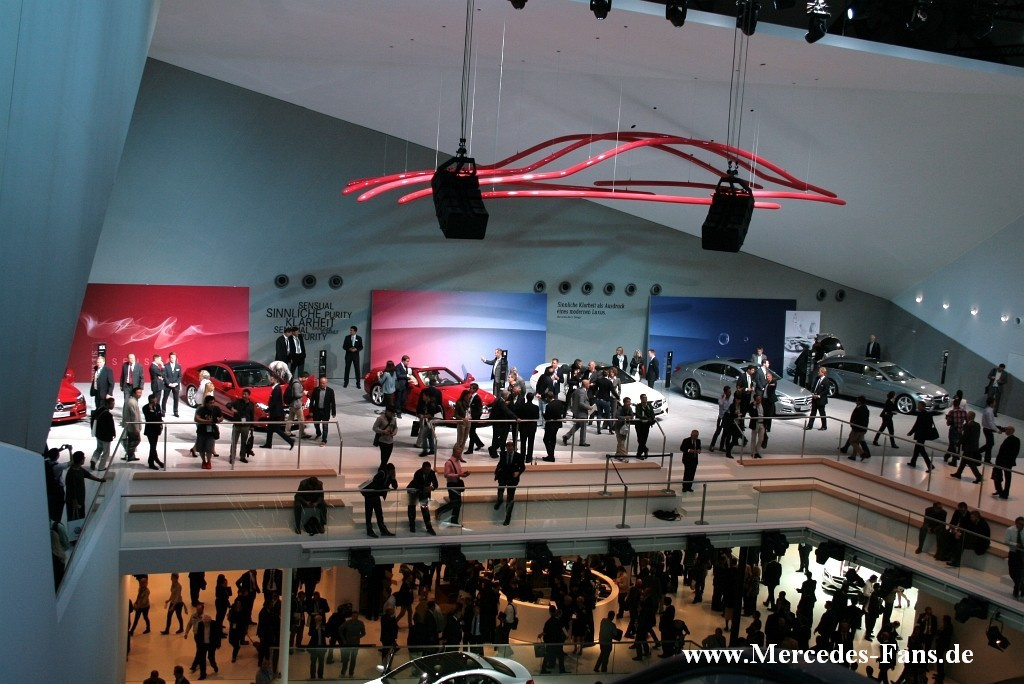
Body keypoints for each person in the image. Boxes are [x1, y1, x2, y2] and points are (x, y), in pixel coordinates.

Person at [65, 450, 105, 521]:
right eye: (83, 457)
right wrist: (74, 501)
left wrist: (99, 480)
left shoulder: (79, 469)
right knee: (75, 518)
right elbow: (71, 489)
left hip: (80, 499)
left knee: (80, 516)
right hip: (74, 501)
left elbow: (88, 475)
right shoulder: (72, 473)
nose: (85, 458)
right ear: (80, 460)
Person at [494, 439, 525, 526]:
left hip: (512, 479)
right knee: (500, 491)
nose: (510, 448)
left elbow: (522, 467)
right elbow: (500, 464)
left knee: (510, 499)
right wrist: (496, 473)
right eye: (508, 446)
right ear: (506, 447)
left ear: (514, 447)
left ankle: (507, 518)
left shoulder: (518, 456)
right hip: (503, 476)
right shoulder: (503, 454)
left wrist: (518, 473)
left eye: (511, 446)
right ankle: (499, 501)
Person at [261, 371, 295, 449]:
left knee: (276, 429)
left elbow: (274, 402)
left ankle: (290, 441)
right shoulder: (276, 388)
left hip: (276, 413)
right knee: (270, 429)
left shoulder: (277, 389)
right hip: (274, 412)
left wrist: (267, 410)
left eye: (271, 378)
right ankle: (268, 444)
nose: (270, 380)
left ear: (275, 379)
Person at [361, 463, 397, 538]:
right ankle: (369, 530)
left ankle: (383, 530)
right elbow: (375, 484)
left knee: (379, 513)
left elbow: (395, 486)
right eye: (392, 471)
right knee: (369, 513)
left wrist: (393, 478)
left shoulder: (390, 476)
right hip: (370, 494)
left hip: (376, 495)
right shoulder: (382, 473)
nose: (393, 472)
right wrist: (385, 488)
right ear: (388, 470)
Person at [436, 447, 469, 527]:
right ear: (454, 452)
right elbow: (446, 475)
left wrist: (463, 474)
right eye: (458, 453)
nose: (459, 454)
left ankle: (454, 521)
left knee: (458, 503)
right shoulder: (448, 463)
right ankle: (439, 511)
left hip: (457, 484)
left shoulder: (458, 461)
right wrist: (458, 475)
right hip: (451, 484)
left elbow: (458, 472)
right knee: (454, 502)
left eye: (460, 453)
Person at [951, 411, 983, 482]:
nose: (966, 417)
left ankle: (978, 476)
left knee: (970, 462)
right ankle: (958, 473)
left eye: (968, 416)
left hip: (968, 447)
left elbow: (965, 436)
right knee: (963, 461)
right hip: (974, 446)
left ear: (969, 417)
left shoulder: (969, 425)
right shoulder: (977, 425)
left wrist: (958, 443)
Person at [406, 461, 437, 534]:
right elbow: (417, 484)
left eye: (429, 469)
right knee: (411, 508)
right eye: (426, 470)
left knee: (425, 510)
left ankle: (429, 528)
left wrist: (432, 487)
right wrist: (425, 488)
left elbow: (436, 484)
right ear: (422, 469)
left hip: (423, 493)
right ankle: (412, 525)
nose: (428, 472)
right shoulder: (418, 473)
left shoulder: (432, 473)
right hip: (413, 491)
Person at [225, 389, 254, 465]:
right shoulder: (237, 402)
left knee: (244, 442)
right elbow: (228, 404)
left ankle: (242, 456)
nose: (244, 395)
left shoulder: (251, 404)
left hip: (246, 426)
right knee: (234, 441)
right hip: (237, 425)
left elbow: (252, 416)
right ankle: (232, 456)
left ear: (249, 395)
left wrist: (252, 426)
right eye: (243, 394)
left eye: (245, 394)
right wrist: (232, 409)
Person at [194, 395, 223, 470]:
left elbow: (221, 418)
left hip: (211, 433)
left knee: (209, 449)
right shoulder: (201, 409)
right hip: (201, 432)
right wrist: (207, 421)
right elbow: (196, 418)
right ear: (206, 403)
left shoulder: (216, 409)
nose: (212, 404)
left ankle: (209, 461)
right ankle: (203, 461)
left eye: (213, 402)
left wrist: (217, 420)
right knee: (201, 449)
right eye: (210, 403)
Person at [906, 401, 937, 470]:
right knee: (917, 449)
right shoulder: (928, 414)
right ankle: (913, 462)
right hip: (924, 434)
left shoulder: (921, 414)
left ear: (923, 406)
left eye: (919, 406)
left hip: (920, 434)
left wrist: (910, 432)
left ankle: (930, 465)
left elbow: (916, 425)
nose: (918, 407)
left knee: (922, 450)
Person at [992, 426, 1019, 498]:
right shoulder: (1011, 439)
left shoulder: (1015, 440)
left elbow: (1014, 453)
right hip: (1002, 461)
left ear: (1011, 430)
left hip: (1006, 462)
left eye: (1007, 429)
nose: (1005, 430)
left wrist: (1008, 461)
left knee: (1006, 477)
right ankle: (999, 490)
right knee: (998, 475)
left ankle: (1005, 492)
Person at [539, 607, 568, 674]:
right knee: (560, 655)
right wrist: (566, 636)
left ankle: (544, 669)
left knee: (547, 655)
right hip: (557, 642)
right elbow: (563, 630)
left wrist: (541, 634)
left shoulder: (549, 621)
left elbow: (545, 631)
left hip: (550, 641)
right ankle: (561, 669)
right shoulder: (559, 622)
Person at [337, 610, 366, 678]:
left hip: (355, 644)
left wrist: (358, 637)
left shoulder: (360, 623)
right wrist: (343, 639)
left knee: (353, 659)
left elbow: (364, 633)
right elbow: (340, 629)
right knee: (345, 659)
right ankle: (343, 673)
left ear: (357, 616)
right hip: (347, 643)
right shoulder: (348, 622)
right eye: (353, 616)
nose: (355, 617)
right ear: (352, 616)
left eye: (356, 616)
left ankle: (351, 673)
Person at [416, 380, 441, 456]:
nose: (422, 397)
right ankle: (432, 449)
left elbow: (431, 415)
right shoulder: (427, 402)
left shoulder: (431, 404)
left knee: (424, 435)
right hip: (429, 421)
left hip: (430, 422)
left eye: (424, 396)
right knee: (430, 435)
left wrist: (423, 416)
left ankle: (425, 450)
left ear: (427, 396)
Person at [515, 390, 540, 462]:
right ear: (532, 398)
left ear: (526, 398)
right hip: (532, 427)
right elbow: (537, 417)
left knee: (523, 443)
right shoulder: (536, 407)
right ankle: (529, 458)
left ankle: (522, 457)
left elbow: (519, 415)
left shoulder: (522, 407)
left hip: (523, 427)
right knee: (531, 443)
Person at [285, 371, 310, 439]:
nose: (306, 380)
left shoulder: (295, 382)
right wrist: (304, 393)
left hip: (293, 404)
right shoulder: (297, 384)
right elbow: (296, 395)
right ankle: (302, 433)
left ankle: (287, 432)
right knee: (301, 419)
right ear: (303, 377)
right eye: (306, 378)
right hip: (296, 405)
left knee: (290, 419)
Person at [142, 393, 164, 469]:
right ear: (150, 401)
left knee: (153, 446)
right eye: (153, 402)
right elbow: (149, 419)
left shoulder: (158, 406)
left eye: (155, 401)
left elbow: (159, 416)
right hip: (150, 430)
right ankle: (153, 461)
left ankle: (153, 460)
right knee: (153, 446)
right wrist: (151, 410)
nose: (155, 403)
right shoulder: (145, 408)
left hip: (157, 429)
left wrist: (161, 425)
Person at [541, 391, 565, 461]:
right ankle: (551, 455)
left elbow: (547, 418)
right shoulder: (559, 403)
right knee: (553, 439)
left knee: (546, 440)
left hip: (550, 425)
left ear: (548, 397)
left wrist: (543, 414)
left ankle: (551, 456)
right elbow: (562, 412)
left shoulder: (549, 406)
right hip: (557, 424)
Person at [122, 386, 143, 462]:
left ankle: (130, 456)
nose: (140, 394)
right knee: (137, 440)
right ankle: (129, 453)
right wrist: (136, 428)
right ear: (134, 393)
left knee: (131, 440)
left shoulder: (132, 401)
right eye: (138, 393)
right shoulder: (132, 402)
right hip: (132, 426)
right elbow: (134, 416)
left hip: (131, 425)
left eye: (141, 392)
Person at [847, 395, 871, 461]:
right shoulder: (865, 409)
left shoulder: (859, 409)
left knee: (852, 441)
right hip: (862, 429)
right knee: (856, 441)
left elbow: (857, 419)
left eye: (857, 401)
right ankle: (853, 456)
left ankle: (862, 453)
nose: (856, 402)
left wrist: (853, 425)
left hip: (857, 429)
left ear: (860, 401)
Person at [709, 386, 732, 452]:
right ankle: (712, 445)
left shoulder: (731, 398)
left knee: (725, 433)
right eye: (728, 392)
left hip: (727, 418)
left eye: (730, 392)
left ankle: (721, 447)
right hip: (721, 417)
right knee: (717, 432)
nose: (730, 393)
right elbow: (721, 404)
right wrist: (724, 397)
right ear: (725, 392)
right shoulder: (721, 397)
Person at [1006, 516, 1024, 598]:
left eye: (1023, 524)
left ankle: (1017, 587)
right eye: (1020, 524)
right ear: (1016, 523)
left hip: (1022, 554)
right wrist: (1015, 544)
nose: (1022, 526)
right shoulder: (1010, 530)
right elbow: (1006, 541)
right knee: (1012, 572)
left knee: (1020, 572)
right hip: (1013, 553)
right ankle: (1021, 585)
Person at [307, 612, 329, 679]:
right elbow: (310, 634)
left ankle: (320, 676)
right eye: (318, 620)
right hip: (314, 647)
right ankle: (312, 676)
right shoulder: (312, 626)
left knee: (321, 663)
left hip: (322, 647)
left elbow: (327, 635)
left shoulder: (323, 626)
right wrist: (316, 628)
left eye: (321, 620)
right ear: (315, 620)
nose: (320, 621)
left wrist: (324, 630)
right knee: (313, 662)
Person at [466, 383, 486, 454]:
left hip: (474, 419)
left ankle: (470, 449)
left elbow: (479, 410)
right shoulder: (471, 397)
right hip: (470, 417)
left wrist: (474, 418)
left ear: (475, 389)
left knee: (471, 433)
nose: (469, 389)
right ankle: (479, 443)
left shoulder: (477, 398)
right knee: (472, 432)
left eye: (471, 388)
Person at [163, 352, 182, 417]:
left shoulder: (178, 366)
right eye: (171, 357)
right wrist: (169, 383)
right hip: (167, 385)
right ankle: (163, 411)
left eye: (174, 357)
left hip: (176, 385)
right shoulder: (166, 366)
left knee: (176, 399)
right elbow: (164, 376)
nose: (172, 359)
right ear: (169, 358)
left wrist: (176, 383)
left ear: (176, 358)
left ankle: (175, 412)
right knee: (165, 398)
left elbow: (180, 376)